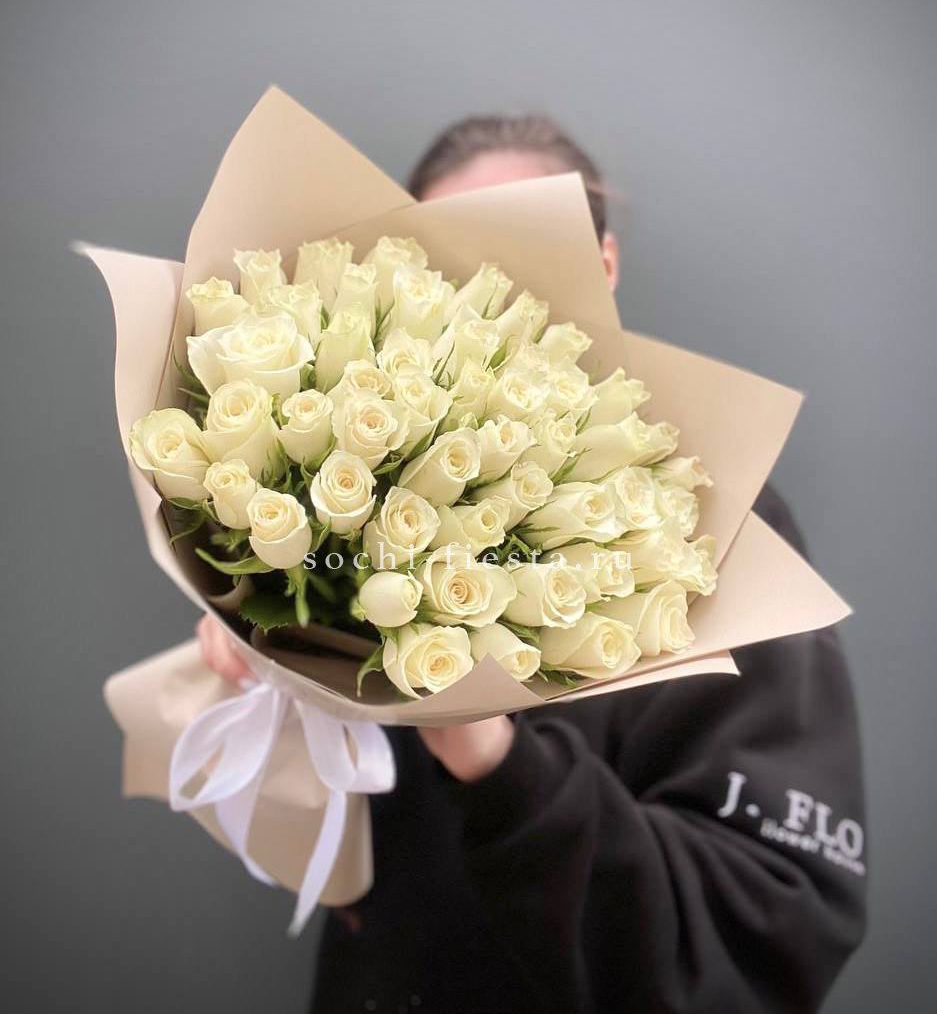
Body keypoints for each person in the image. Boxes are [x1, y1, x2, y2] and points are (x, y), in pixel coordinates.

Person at [197, 115, 867, 1013]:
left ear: (606, 263)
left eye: (528, 245)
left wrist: (494, 755)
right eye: (451, 254)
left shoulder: (720, 530)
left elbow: (767, 926)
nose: (491, 283)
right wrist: (278, 651)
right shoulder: (362, 482)